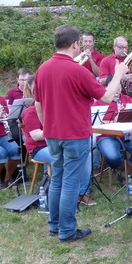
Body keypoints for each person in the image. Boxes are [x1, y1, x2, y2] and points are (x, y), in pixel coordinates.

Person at [34, 24, 127, 242]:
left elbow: (38, 104)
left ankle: (55, 225)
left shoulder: (42, 69)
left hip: (52, 134)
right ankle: (66, 230)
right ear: (76, 44)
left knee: (57, 178)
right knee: (70, 183)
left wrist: (47, 127)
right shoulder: (77, 70)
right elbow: (105, 97)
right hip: (74, 134)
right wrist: (119, 74)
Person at [22, 75, 95, 205]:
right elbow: (36, 135)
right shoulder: (30, 112)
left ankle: (82, 193)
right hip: (39, 148)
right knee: (67, 157)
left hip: (57, 142)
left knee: (86, 152)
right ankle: (65, 193)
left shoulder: (54, 109)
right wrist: (58, 129)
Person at [96, 77, 132, 188]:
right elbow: (95, 123)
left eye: (118, 85)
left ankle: (125, 173)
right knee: (112, 157)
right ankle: (126, 170)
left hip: (126, 134)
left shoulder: (127, 99)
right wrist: (113, 121)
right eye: (114, 85)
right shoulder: (99, 101)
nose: (117, 88)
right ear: (107, 87)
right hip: (106, 136)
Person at [0, 87, 21, 189]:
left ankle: (8, 178)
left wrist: (6, 117)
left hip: (2, 134)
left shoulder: (1, 100)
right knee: (1, 153)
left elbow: (9, 120)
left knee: (15, 149)